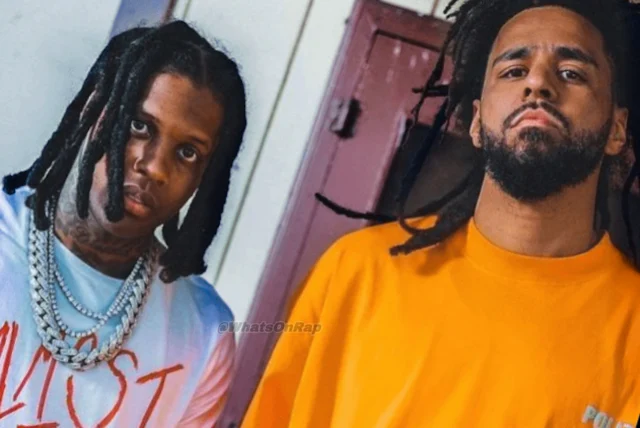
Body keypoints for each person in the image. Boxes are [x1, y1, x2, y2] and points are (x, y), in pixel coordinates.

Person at [242, 0, 640, 426]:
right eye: (514, 70)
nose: (538, 83)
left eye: (572, 73)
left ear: (617, 129)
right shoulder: (356, 270)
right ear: (476, 121)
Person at [0, 21, 246, 427]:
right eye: (139, 126)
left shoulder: (202, 334)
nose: (155, 167)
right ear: (93, 109)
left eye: (187, 152)